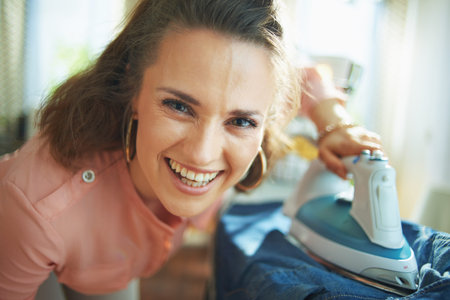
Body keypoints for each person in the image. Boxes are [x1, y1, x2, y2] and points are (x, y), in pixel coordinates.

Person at [0, 0, 381, 299]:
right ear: (133, 84)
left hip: (114, 261)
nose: (202, 154)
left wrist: (337, 125)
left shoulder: (258, 87)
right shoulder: (35, 210)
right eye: (179, 106)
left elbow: (311, 78)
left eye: (241, 121)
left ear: (271, 113)